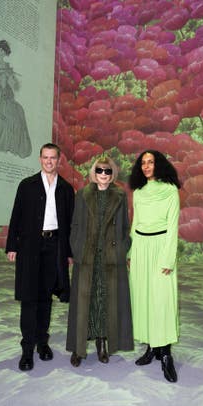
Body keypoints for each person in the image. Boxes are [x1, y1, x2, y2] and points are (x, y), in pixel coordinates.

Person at [5, 143, 74, 371]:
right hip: (30, 246)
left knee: (45, 298)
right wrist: (11, 246)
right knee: (29, 298)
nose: (49, 161)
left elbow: (70, 224)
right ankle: (27, 349)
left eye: (53, 158)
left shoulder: (66, 188)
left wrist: (69, 253)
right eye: (45, 157)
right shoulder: (27, 185)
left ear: (59, 160)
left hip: (54, 246)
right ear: (40, 159)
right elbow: (16, 215)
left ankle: (42, 343)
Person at [66, 156, 133, 367]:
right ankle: (78, 347)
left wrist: (121, 250)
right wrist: (77, 250)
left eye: (108, 171)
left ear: (112, 174)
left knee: (105, 301)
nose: (103, 175)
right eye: (100, 171)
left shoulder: (120, 196)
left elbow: (124, 228)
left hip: (110, 258)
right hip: (87, 258)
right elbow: (75, 226)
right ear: (93, 173)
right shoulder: (82, 195)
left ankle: (103, 343)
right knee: (84, 302)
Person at [128, 149, 181, 383]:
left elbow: (173, 225)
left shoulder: (170, 191)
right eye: (143, 163)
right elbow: (135, 222)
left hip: (161, 247)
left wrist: (168, 257)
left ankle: (166, 354)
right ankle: (151, 347)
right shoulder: (138, 192)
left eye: (151, 162)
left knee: (162, 300)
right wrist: (130, 251)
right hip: (140, 247)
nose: (147, 166)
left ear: (159, 164)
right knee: (144, 298)